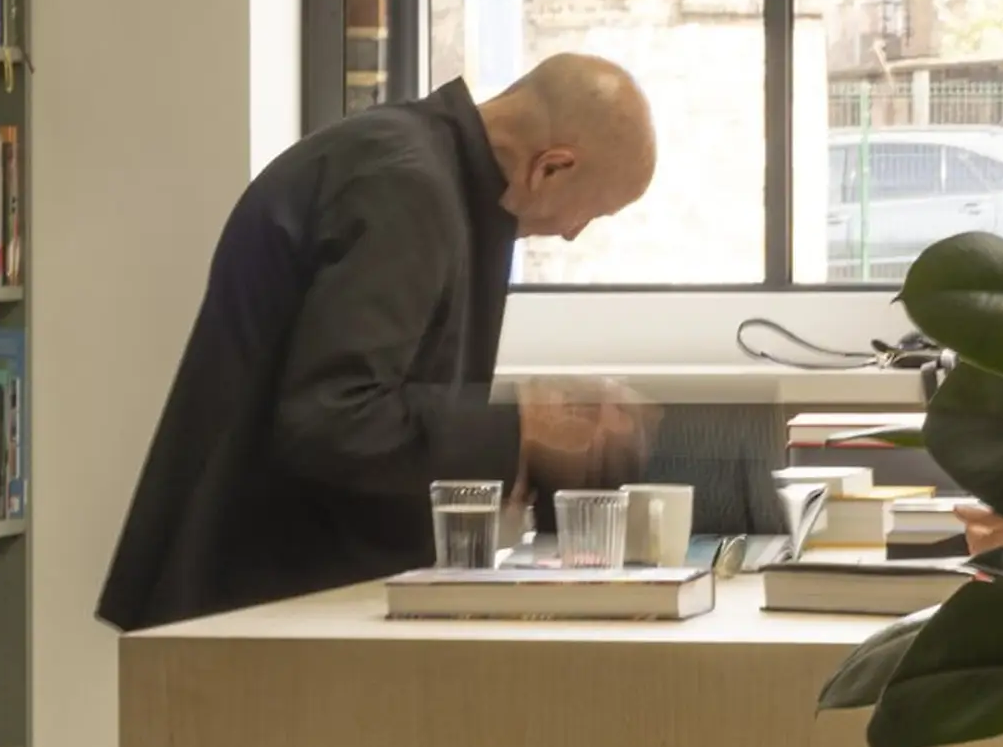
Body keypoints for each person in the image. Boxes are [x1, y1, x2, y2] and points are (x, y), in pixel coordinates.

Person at [96, 55, 659, 630]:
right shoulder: (405, 185)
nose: (571, 233)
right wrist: (524, 428)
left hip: (281, 593)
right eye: (592, 213)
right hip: (255, 605)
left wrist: (525, 429)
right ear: (552, 168)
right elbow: (331, 417)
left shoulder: (430, 173)